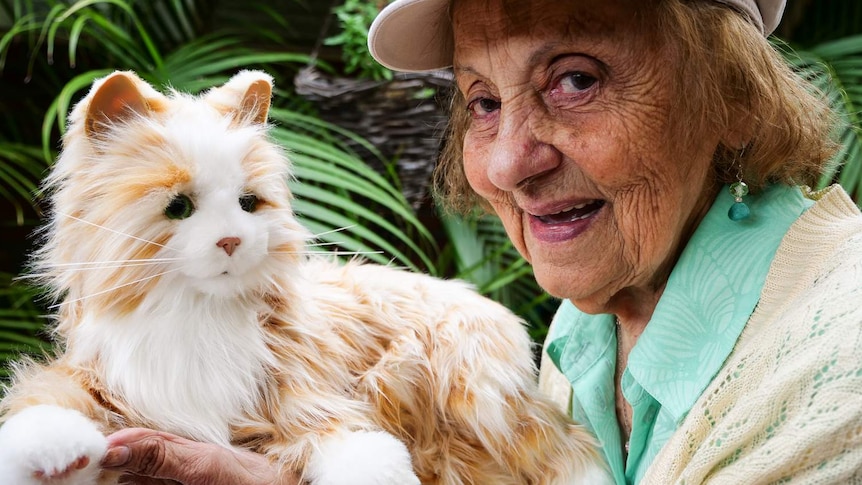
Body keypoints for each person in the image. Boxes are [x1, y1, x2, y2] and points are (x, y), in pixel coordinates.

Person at [103, 0, 862, 483]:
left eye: (576, 80)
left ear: (729, 94)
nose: (506, 162)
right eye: (484, 101)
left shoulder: (837, 335)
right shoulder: (588, 332)